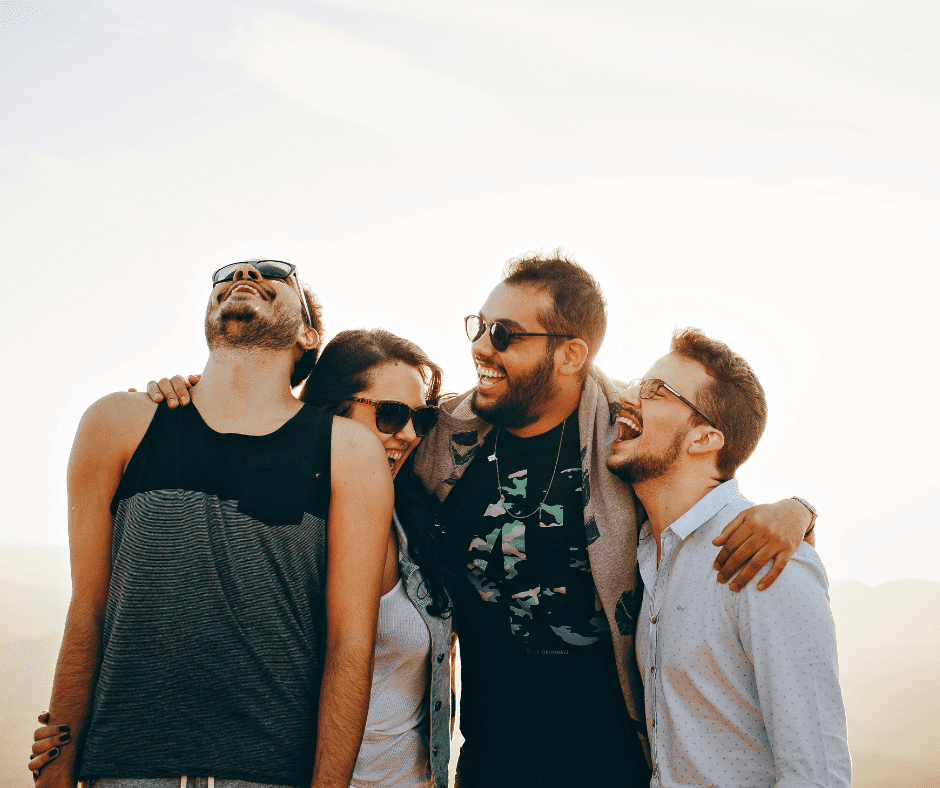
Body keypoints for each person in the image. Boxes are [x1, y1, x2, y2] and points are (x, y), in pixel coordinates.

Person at [410, 251, 820, 787]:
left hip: (617, 766)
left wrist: (798, 511)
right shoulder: (441, 437)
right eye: (480, 326)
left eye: (505, 333)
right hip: (489, 762)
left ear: (570, 354)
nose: (482, 346)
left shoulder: (623, 437)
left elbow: (702, 483)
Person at [31, 327, 456, 788]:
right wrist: (66, 741)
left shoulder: (420, 526)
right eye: (391, 415)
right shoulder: (274, 528)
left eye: (424, 418)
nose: (411, 434)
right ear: (331, 412)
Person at [606, 328, 850, 787]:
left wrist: (800, 512)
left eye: (656, 391)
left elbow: (816, 772)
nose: (627, 397)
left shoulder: (767, 559)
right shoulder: (649, 555)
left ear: (704, 439)